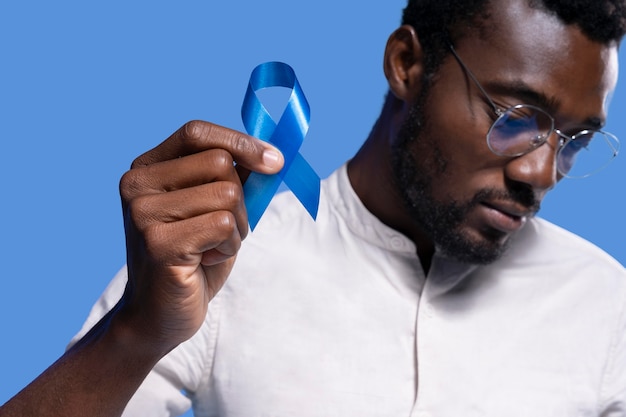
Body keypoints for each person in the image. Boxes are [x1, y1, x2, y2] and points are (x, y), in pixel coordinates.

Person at [2, 0, 626, 415]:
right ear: (407, 64)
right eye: (516, 118)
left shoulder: (605, 307)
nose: (540, 174)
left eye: (577, 140)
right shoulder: (224, 258)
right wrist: (138, 331)